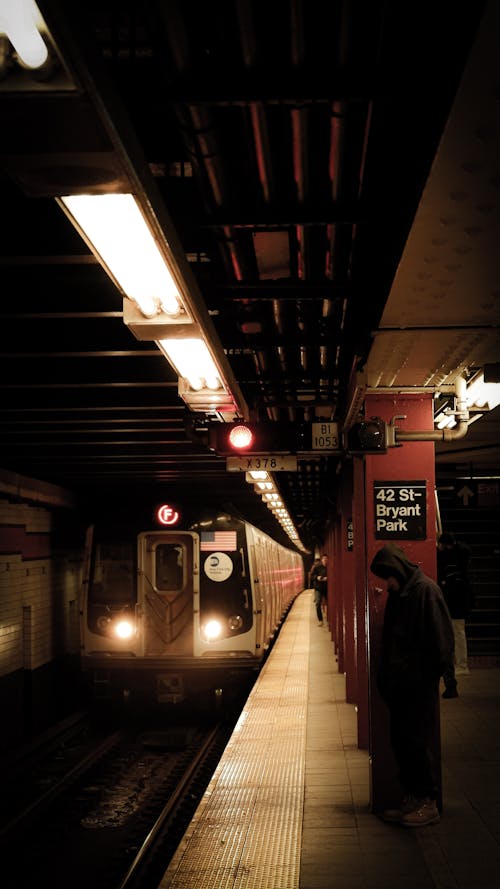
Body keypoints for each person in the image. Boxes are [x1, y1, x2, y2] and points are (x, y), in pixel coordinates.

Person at [370, 543, 454, 828]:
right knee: (402, 743)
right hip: (401, 689)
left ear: (398, 570)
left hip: (417, 688)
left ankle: (427, 802)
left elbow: (441, 643)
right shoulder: (402, 593)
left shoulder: (425, 592)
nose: (387, 583)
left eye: (388, 576)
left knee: (417, 743)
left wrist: (424, 678)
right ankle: (412, 798)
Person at [437, 531, 473, 699]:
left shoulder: (449, 561)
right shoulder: (462, 560)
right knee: (459, 633)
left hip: (453, 604)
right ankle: (461, 664)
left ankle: (461, 665)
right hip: (460, 604)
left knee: (454, 635)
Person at [311, 553, 328, 625]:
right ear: (322, 560)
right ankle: (320, 620)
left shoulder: (330, 567)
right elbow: (312, 576)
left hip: (327, 588)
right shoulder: (317, 567)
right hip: (318, 587)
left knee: (329, 604)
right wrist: (318, 577)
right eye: (324, 559)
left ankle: (328, 618)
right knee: (318, 603)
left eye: (326, 559)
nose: (325, 561)